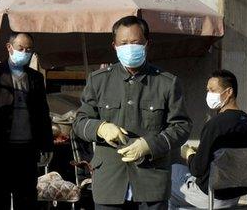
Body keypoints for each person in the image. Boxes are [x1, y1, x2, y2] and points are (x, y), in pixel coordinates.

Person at [73, 16, 192, 210]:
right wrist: (101, 128)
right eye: (123, 43)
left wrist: (149, 145)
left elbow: (182, 126)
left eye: (135, 42)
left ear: (147, 44)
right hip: (109, 183)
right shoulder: (98, 80)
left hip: (151, 181)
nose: (129, 47)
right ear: (114, 46)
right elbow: (80, 122)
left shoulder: (166, 82)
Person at [0, 32, 54, 210]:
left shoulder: (36, 78)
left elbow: (43, 113)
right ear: (9, 47)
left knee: (27, 199)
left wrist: (47, 144)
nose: (25, 52)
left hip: (27, 151)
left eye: (28, 49)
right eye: (21, 48)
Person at [169, 70, 247, 209]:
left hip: (211, 195)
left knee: (169, 174)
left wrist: (189, 154)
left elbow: (197, 169)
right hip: (235, 196)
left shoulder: (215, 125)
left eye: (213, 90)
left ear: (229, 92)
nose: (209, 95)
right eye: (207, 90)